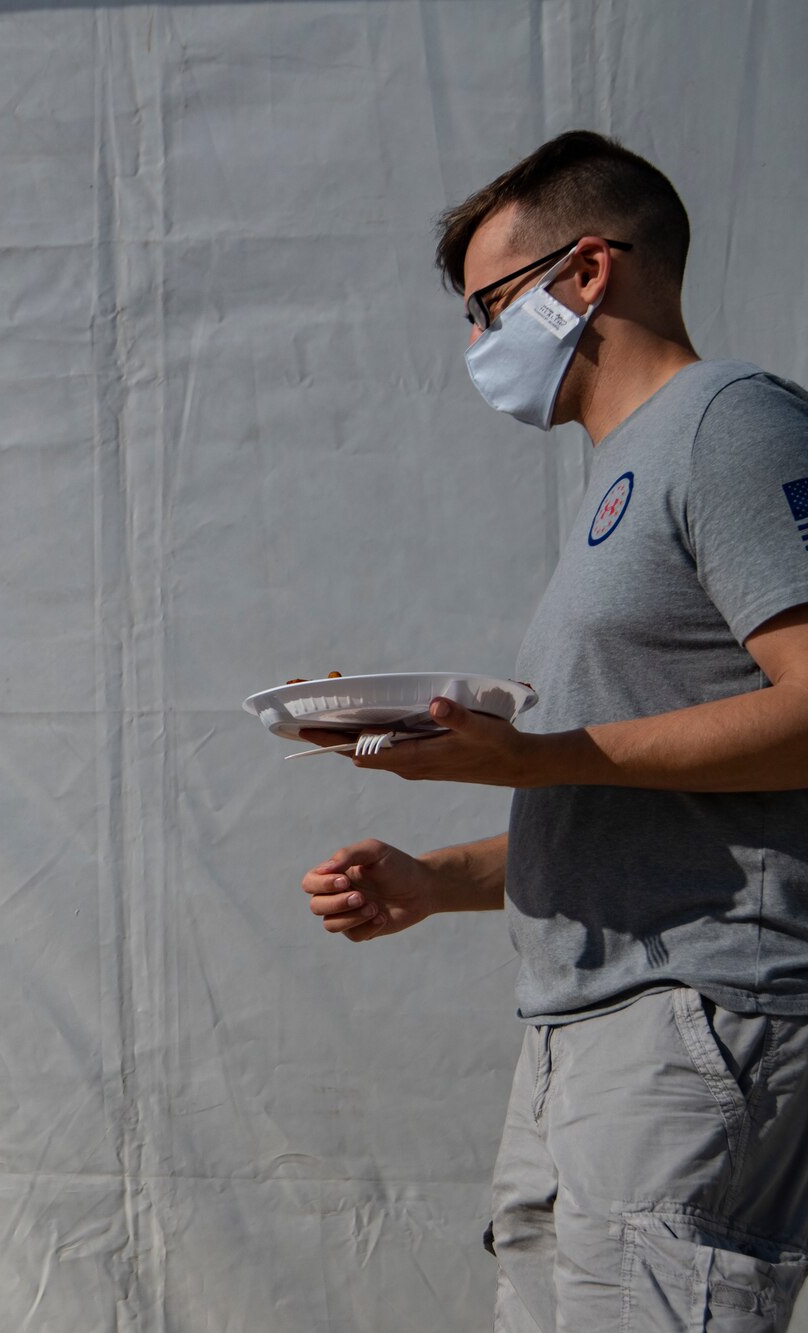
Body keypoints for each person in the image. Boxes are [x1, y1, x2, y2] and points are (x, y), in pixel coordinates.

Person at [298, 130, 808, 1331]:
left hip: (693, 1015)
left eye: (487, 306)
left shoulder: (728, 423)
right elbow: (642, 792)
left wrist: (527, 757)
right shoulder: (617, 480)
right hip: (582, 1031)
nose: (477, 347)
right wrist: (435, 879)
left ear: (587, 272)